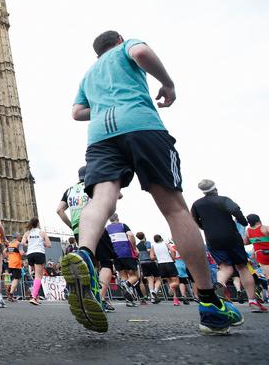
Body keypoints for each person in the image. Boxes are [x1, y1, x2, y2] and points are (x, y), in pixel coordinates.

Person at [62, 31, 240, 335]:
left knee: (101, 199)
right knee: (174, 209)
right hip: (142, 126)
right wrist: (167, 84)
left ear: (96, 53)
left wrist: (104, 106)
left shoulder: (89, 74)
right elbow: (142, 53)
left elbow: (77, 112)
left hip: (101, 138)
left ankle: (84, 254)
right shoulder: (126, 47)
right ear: (118, 40)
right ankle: (210, 302)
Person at [192, 179, 266, 313]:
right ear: (215, 189)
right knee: (242, 267)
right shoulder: (224, 200)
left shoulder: (197, 204)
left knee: (225, 268)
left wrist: (206, 227)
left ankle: (219, 285)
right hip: (231, 237)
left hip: (212, 239)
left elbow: (195, 220)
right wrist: (243, 222)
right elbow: (236, 211)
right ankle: (252, 301)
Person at [57, 165, 117, 312]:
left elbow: (59, 210)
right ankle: (99, 299)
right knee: (106, 263)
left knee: (91, 263)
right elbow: (115, 195)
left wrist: (72, 226)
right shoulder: (94, 184)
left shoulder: (69, 190)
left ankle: (84, 291)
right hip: (95, 225)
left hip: (79, 229)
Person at [105, 213, 139, 307]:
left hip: (115, 255)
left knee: (123, 276)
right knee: (134, 276)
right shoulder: (123, 225)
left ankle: (129, 300)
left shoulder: (107, 229)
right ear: (118, 218)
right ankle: (127, 284)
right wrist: (134, 248)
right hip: (126, 253)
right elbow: (131, 235)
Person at [22, 218, 51, 306]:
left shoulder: (27, 233)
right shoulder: (42, 232)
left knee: (36, 276)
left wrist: (30, 244)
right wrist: (41, 243)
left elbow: (23, 243)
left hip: (30, 254)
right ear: (38, 223)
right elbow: (49, 245)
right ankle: (33, 297)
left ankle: (36, 296)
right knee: (39, 276)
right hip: (39, 253)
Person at [150, 235, 182, 305]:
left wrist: (158, 257)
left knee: (170, 281)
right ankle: (170, 288)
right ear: (161, 238)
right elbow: (173, 250)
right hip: (169, 263)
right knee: (176, 282)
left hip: (161, 265)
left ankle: (175, 300)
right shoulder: (165, 243)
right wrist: (173, 259)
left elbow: (151, 257)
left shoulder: (153, 246)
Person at [135, 232, 160, 303]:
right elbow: (149, 250)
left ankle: (152, 298)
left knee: (150, 280)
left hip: (142, 263)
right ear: (144, 236)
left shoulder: (137, 245)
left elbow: (137, 254)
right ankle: (154, 291)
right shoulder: (147, 242)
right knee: (158, 279)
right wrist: (154, 256)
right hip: (150, 262)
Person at [245, 214, 269, 282]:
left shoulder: (248, 231)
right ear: (258, 220)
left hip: (261, 254)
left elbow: (245, 242)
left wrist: (255, 240)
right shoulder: (265, 228)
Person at [6, 233, 24, 302]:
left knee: (13, 278)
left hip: (10, 263)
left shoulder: (10, 244)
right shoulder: (18, 244)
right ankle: (10, 294)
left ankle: (11, 289)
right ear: (17, 237)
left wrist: (9, 256)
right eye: (20, 236)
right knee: (16, 279)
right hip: (16, 264)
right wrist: (27, 254)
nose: (20, 237)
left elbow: (5, 252)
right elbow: (21, 253)